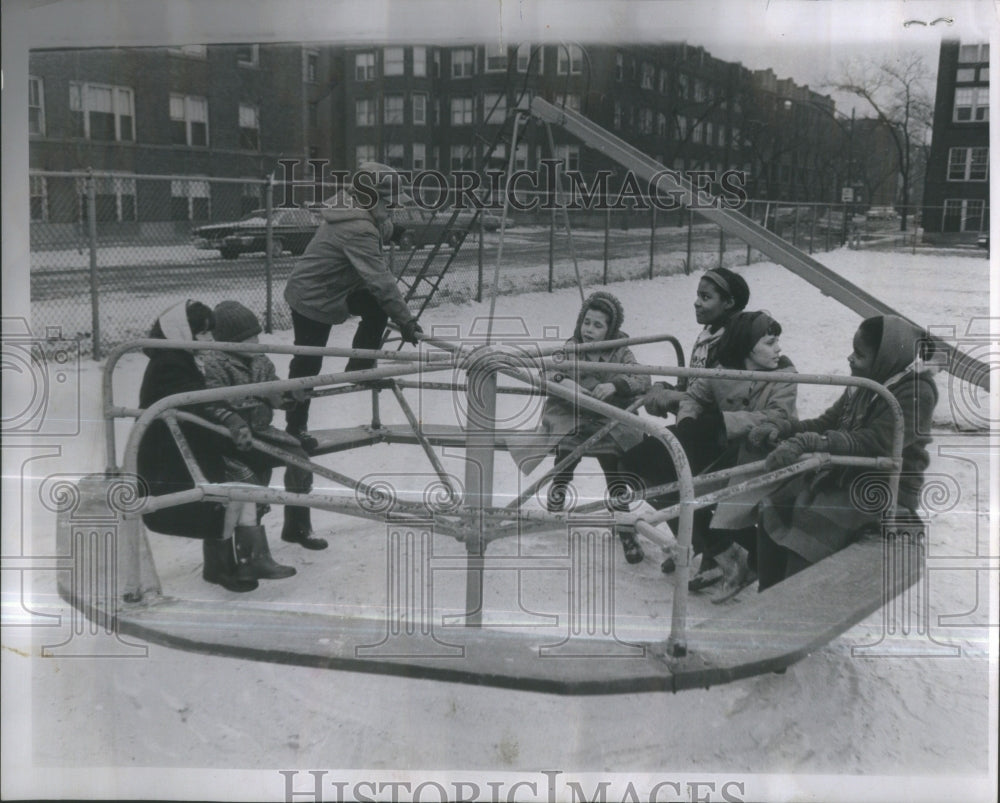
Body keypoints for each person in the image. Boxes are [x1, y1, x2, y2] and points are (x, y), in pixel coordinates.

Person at [751, 315, 938, 591]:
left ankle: (795, 602)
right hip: (848, 472)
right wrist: (785, 428)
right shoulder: (866, 382)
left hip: (885, 485)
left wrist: (811, 442)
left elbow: (877, 441)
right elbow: (828, 422)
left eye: (860, 354)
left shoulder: (916, 391)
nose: (851, 358)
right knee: (775, 504)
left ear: (885, 358)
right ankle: (769, 592)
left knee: (811, 523)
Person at [617, 268, 751, 574]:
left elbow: (720, 394)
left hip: (714, 431)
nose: (697, 303)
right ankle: (693, 542)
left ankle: (714, 550)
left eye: (706, 297)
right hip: (696, 424)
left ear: (729, 303)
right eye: (697, 296)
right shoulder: (708, 334)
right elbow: (695, 387)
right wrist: (667, 390)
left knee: (640, 466)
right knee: (643, 468)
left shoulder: (732, 339)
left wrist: (675, 398)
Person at [283, 161, 423, 452]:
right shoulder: (357, 228)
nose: (392, 208)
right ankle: (295, 428)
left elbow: (380, 223)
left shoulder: (357, 209)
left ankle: (360, 363)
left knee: (375, 308)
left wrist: (396, 232)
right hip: (313, 296)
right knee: (309, 362)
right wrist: (406, 320)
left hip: (336, 288)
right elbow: (380, 281)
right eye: (389, 202)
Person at [137, 300, 260, 592]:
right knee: (229, 494)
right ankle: (221, 566)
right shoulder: (170, 363)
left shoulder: (180, 356)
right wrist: (230, 418)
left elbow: (199, 399)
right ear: (181, 331)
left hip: (183, 443)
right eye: (203, 333)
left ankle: (238, 560)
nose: (210, 340)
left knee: (238, 489)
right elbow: (195, 399)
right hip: (169, 455)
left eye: (209, 333)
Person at [675, 310, 797, 600]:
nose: (778, 348)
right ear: (746, 346)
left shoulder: (785, 376)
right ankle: (725, 557)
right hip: (730, 451)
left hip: (764, 454)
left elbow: (778, 415)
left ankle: (748, 560)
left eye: (777, 340)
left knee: (717, 499)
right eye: (770, 342)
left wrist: (725, 423)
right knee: (690, 492)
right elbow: (694, 395)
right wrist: (688, 421)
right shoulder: (723, 370)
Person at [527, 292, 651, 563]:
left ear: (610, 329)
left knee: (613, 463)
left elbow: (642, 376)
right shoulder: (571, 346)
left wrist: (615, 385)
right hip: (572, 415)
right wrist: (566, 384)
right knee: (567, 450)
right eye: (587, 322)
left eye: (598, 325)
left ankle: (625, 526)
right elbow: (547, 370)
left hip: (605, 420)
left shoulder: (620, 350)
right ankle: (558, 491)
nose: (589, 330)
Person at [202, 300, 327, 557]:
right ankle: (250, 550)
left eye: (257, 335)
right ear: (230, 342)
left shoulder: (260, 360)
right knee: (254, 489)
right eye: (249, 338)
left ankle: (298, 524)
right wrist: (233, 418)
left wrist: (287, 396)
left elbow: (272, 388)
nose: (257, 342)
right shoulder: (214, 365)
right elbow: (210, 404)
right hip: (232, 438)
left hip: (263, 430)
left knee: (301, 461)